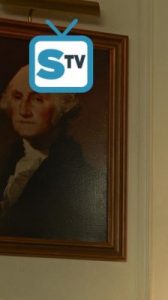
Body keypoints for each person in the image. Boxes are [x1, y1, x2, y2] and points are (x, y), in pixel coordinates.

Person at [0, 65, 107, 241]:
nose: (23, 110)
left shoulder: (80, 179)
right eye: (17, 97)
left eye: (38, 99)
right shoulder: (7, 161)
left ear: (63, 107)